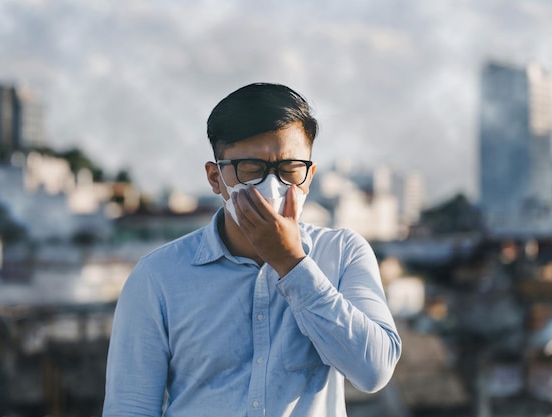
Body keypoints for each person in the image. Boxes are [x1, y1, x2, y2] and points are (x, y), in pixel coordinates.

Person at [103, 83, 401, 417]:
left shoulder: (343, 253)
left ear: (310, 175)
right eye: (251, 169)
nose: (272, 187)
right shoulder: (157, 277)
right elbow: (130, 407)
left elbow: (374, 371)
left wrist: (292, 264)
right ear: (215, 178)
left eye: (290, 170)